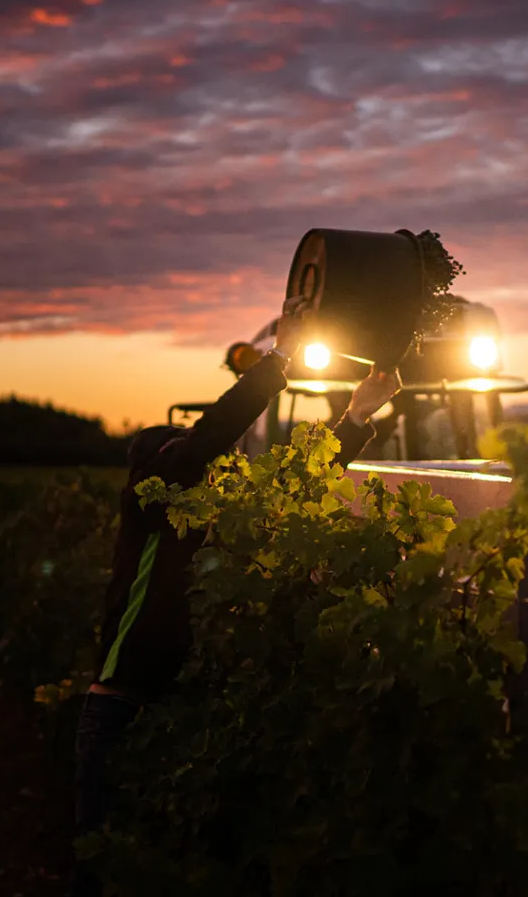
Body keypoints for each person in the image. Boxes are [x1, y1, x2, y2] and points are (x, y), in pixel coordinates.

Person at [69, 298, 401, 895]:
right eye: (178, 450)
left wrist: (355, 416)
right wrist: (281, 358)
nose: (201, 460)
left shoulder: (215, 519)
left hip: (187, 715)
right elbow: (209, 438)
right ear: (155, 467)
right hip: (120, 713)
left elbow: (293, 491)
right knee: (103, 874)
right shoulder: (152, 503)